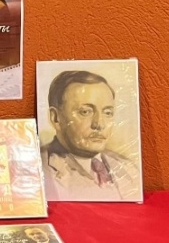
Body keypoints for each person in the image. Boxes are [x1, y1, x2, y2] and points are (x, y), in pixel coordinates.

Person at [41, 71, 142, 201]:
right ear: (56, 118)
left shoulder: (129, 168)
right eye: (85, 112)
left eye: (107, 113)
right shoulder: (39, 170)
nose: (99, 124)